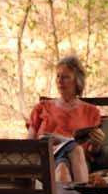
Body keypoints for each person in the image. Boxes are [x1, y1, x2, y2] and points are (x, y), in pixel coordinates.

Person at [26, 55, 103, 183]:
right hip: (47, 158)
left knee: (67, 162)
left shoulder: (91, 111)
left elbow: (92, 151)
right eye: (58, 76)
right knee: (62, 168)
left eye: (66, 77)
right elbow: (29, 143)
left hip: (77, 163)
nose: (60, 81)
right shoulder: (42, 107)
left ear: (77, 81)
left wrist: (97, 143)